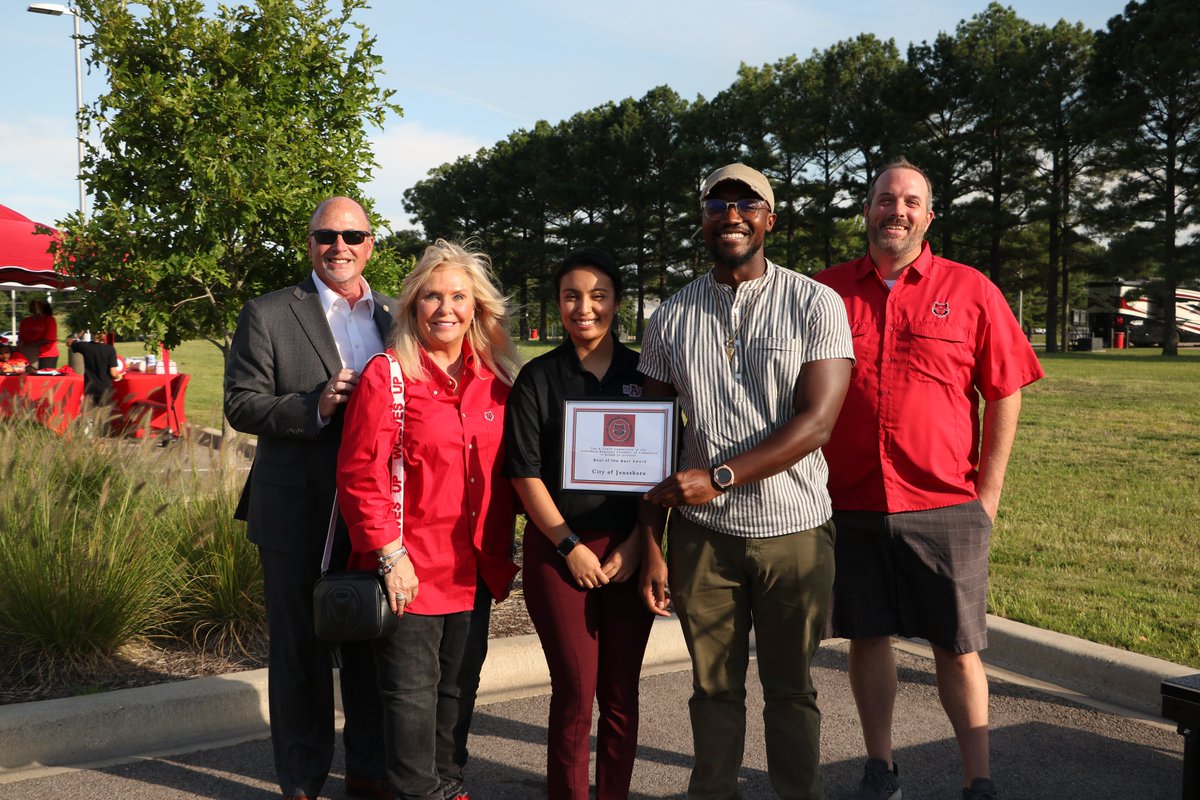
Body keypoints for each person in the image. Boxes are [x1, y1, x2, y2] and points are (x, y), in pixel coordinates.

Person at [814, 158, 1046, 800]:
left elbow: (1005, 390)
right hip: (849, 499)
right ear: (866, 210)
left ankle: (978, 777)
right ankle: (879, 764)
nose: (898, 210)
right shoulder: (823, 292)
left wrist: (988, 495)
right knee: (866, 635)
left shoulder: (971, 289)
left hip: (943, 502)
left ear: (929, 214)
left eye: (911, 201)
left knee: (957, 644)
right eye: (886, 198)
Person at [638, 163, 854, 800]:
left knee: (791, 690)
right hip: (704, 540)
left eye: (747, 202)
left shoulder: (816, 303)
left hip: (794, 531)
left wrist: (721, 477)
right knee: (712, 690)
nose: (731, 214)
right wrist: (651, 543)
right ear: (702, 219)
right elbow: (652, 442)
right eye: (716, 203)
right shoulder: (669, 317)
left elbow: (817, 424)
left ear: (770, 218)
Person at [337, 239, 521, 800]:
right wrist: (390, 557)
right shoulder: (386, 377)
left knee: (459, 691)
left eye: (459, 297)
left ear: (478, 306)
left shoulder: (499, 381)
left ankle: (449, 786)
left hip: (476, 567)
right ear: (413, 305)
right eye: (432, 296)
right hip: (409, 570)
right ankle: (420, 792)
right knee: (411, 697)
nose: (446, 309)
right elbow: (359, 477)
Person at [224, 196, 393, 800]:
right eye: (327, 235)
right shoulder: (269, 313)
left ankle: (370, 775)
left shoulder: (397, 316)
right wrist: (315, 405)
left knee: (376, 647)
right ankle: (302, 781)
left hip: (377, 513)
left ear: (371, 243)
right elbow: (241, 403)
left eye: (352, 235)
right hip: (296, 512)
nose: (339, 246)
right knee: (300, 655)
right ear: (310, 243)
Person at [503, 246, 655, 800]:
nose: (584, 308)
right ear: (558, 303)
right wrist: (569, 544)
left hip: (630, 548)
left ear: (618, 302)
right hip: (559, 550)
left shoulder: (646, 374)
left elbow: (664, 472)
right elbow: (523, 474)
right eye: (571, 296)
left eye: (598, 296)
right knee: (575, 689)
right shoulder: (538, 378)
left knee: (621, 692)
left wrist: (640, 543)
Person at [66, 332, 123, 405]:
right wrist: (119, 376)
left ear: (92, 333)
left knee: (90, 413)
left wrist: (78, 335)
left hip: (90, 387)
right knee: (104, 414)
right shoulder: (110, 349)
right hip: (104, 388)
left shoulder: (85, 346)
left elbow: (69, 343)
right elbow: (113, 373)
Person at [18, 299, 59, 369]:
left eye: (35, 304)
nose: (31, 306)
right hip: (28, 353)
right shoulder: (25, 321)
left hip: (46, 355)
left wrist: (28, 345)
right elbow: (21, 337)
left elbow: (48, 339)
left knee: (44, 377)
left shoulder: (49, 319)